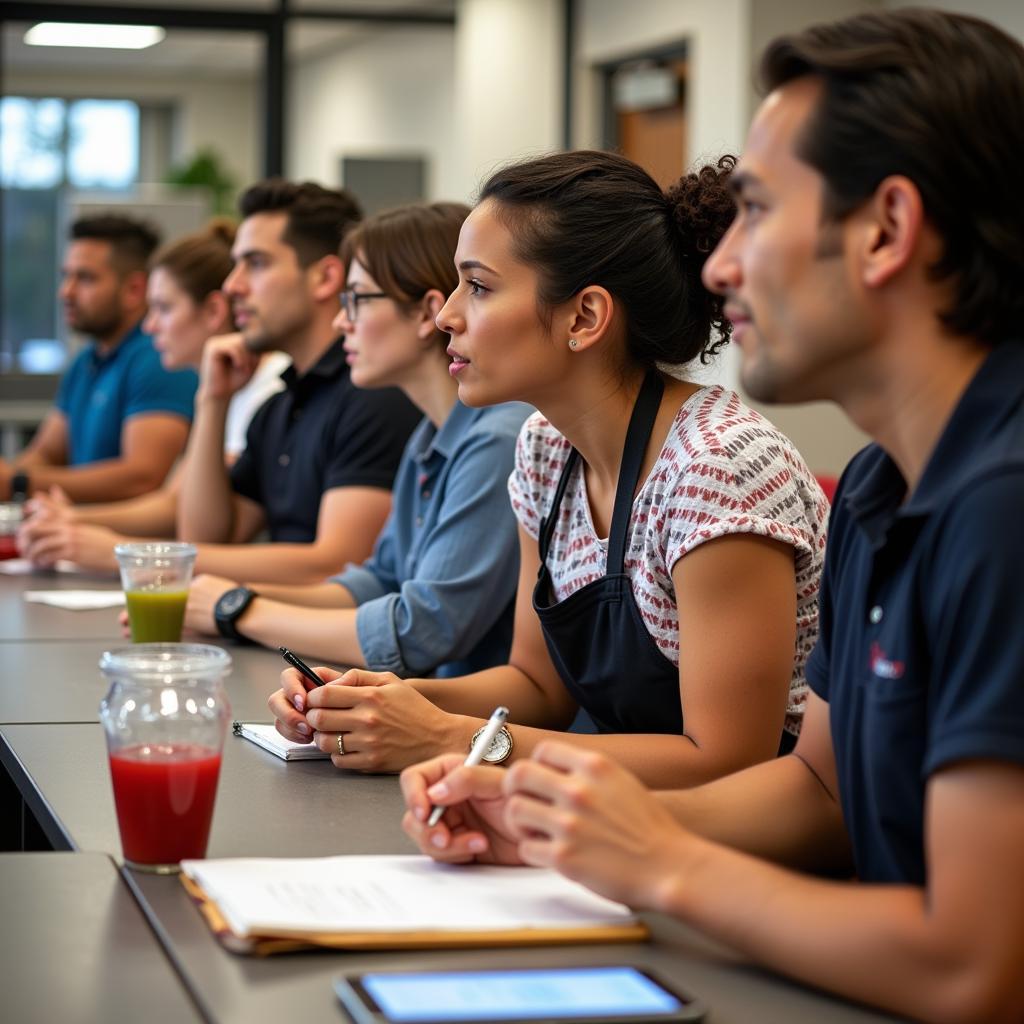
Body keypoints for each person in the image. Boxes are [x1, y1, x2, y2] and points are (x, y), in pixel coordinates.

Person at [399, 9, 1024, 1021]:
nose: (721, 266)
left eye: (760, 213)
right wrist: (551, 825)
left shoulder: (1002, 509)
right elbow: (814, 792)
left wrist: (660, 864)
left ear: (886, 229)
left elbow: (976, 966)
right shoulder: (879, 484)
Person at [269, 151, 828, 784]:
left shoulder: (716, 468)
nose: (447, 315)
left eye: (477, 287)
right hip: (618, 820)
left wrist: (453, 737)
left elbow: (727, 760)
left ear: (584, 317)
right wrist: (374, 698)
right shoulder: (545, 450)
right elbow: (537, 685)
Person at [183, 203, 530, 679]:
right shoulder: (429, 436)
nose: (340, 322)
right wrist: (229, 598)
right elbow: (378, 579)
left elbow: (424, 628)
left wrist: (239, 610)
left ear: (427, 313)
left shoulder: (499, 437)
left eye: (357, 300)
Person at [17, 220, 289, 571]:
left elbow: (198, 527)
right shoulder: (225, 389)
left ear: (214, 311)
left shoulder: (270, 389)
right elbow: (174, 501)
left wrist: (107, 544)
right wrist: (72, 519)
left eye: (163, 308)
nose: (150, 326)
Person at [0, 214, 198, 503]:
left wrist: (20, 482)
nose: (66, 292)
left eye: (85, 278)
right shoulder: (86, 361)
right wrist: (13, 476)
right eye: (66, 276)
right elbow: (46, 453)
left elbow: (141, 477)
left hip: (127, 544)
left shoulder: (159, 358)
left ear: (134, 289)